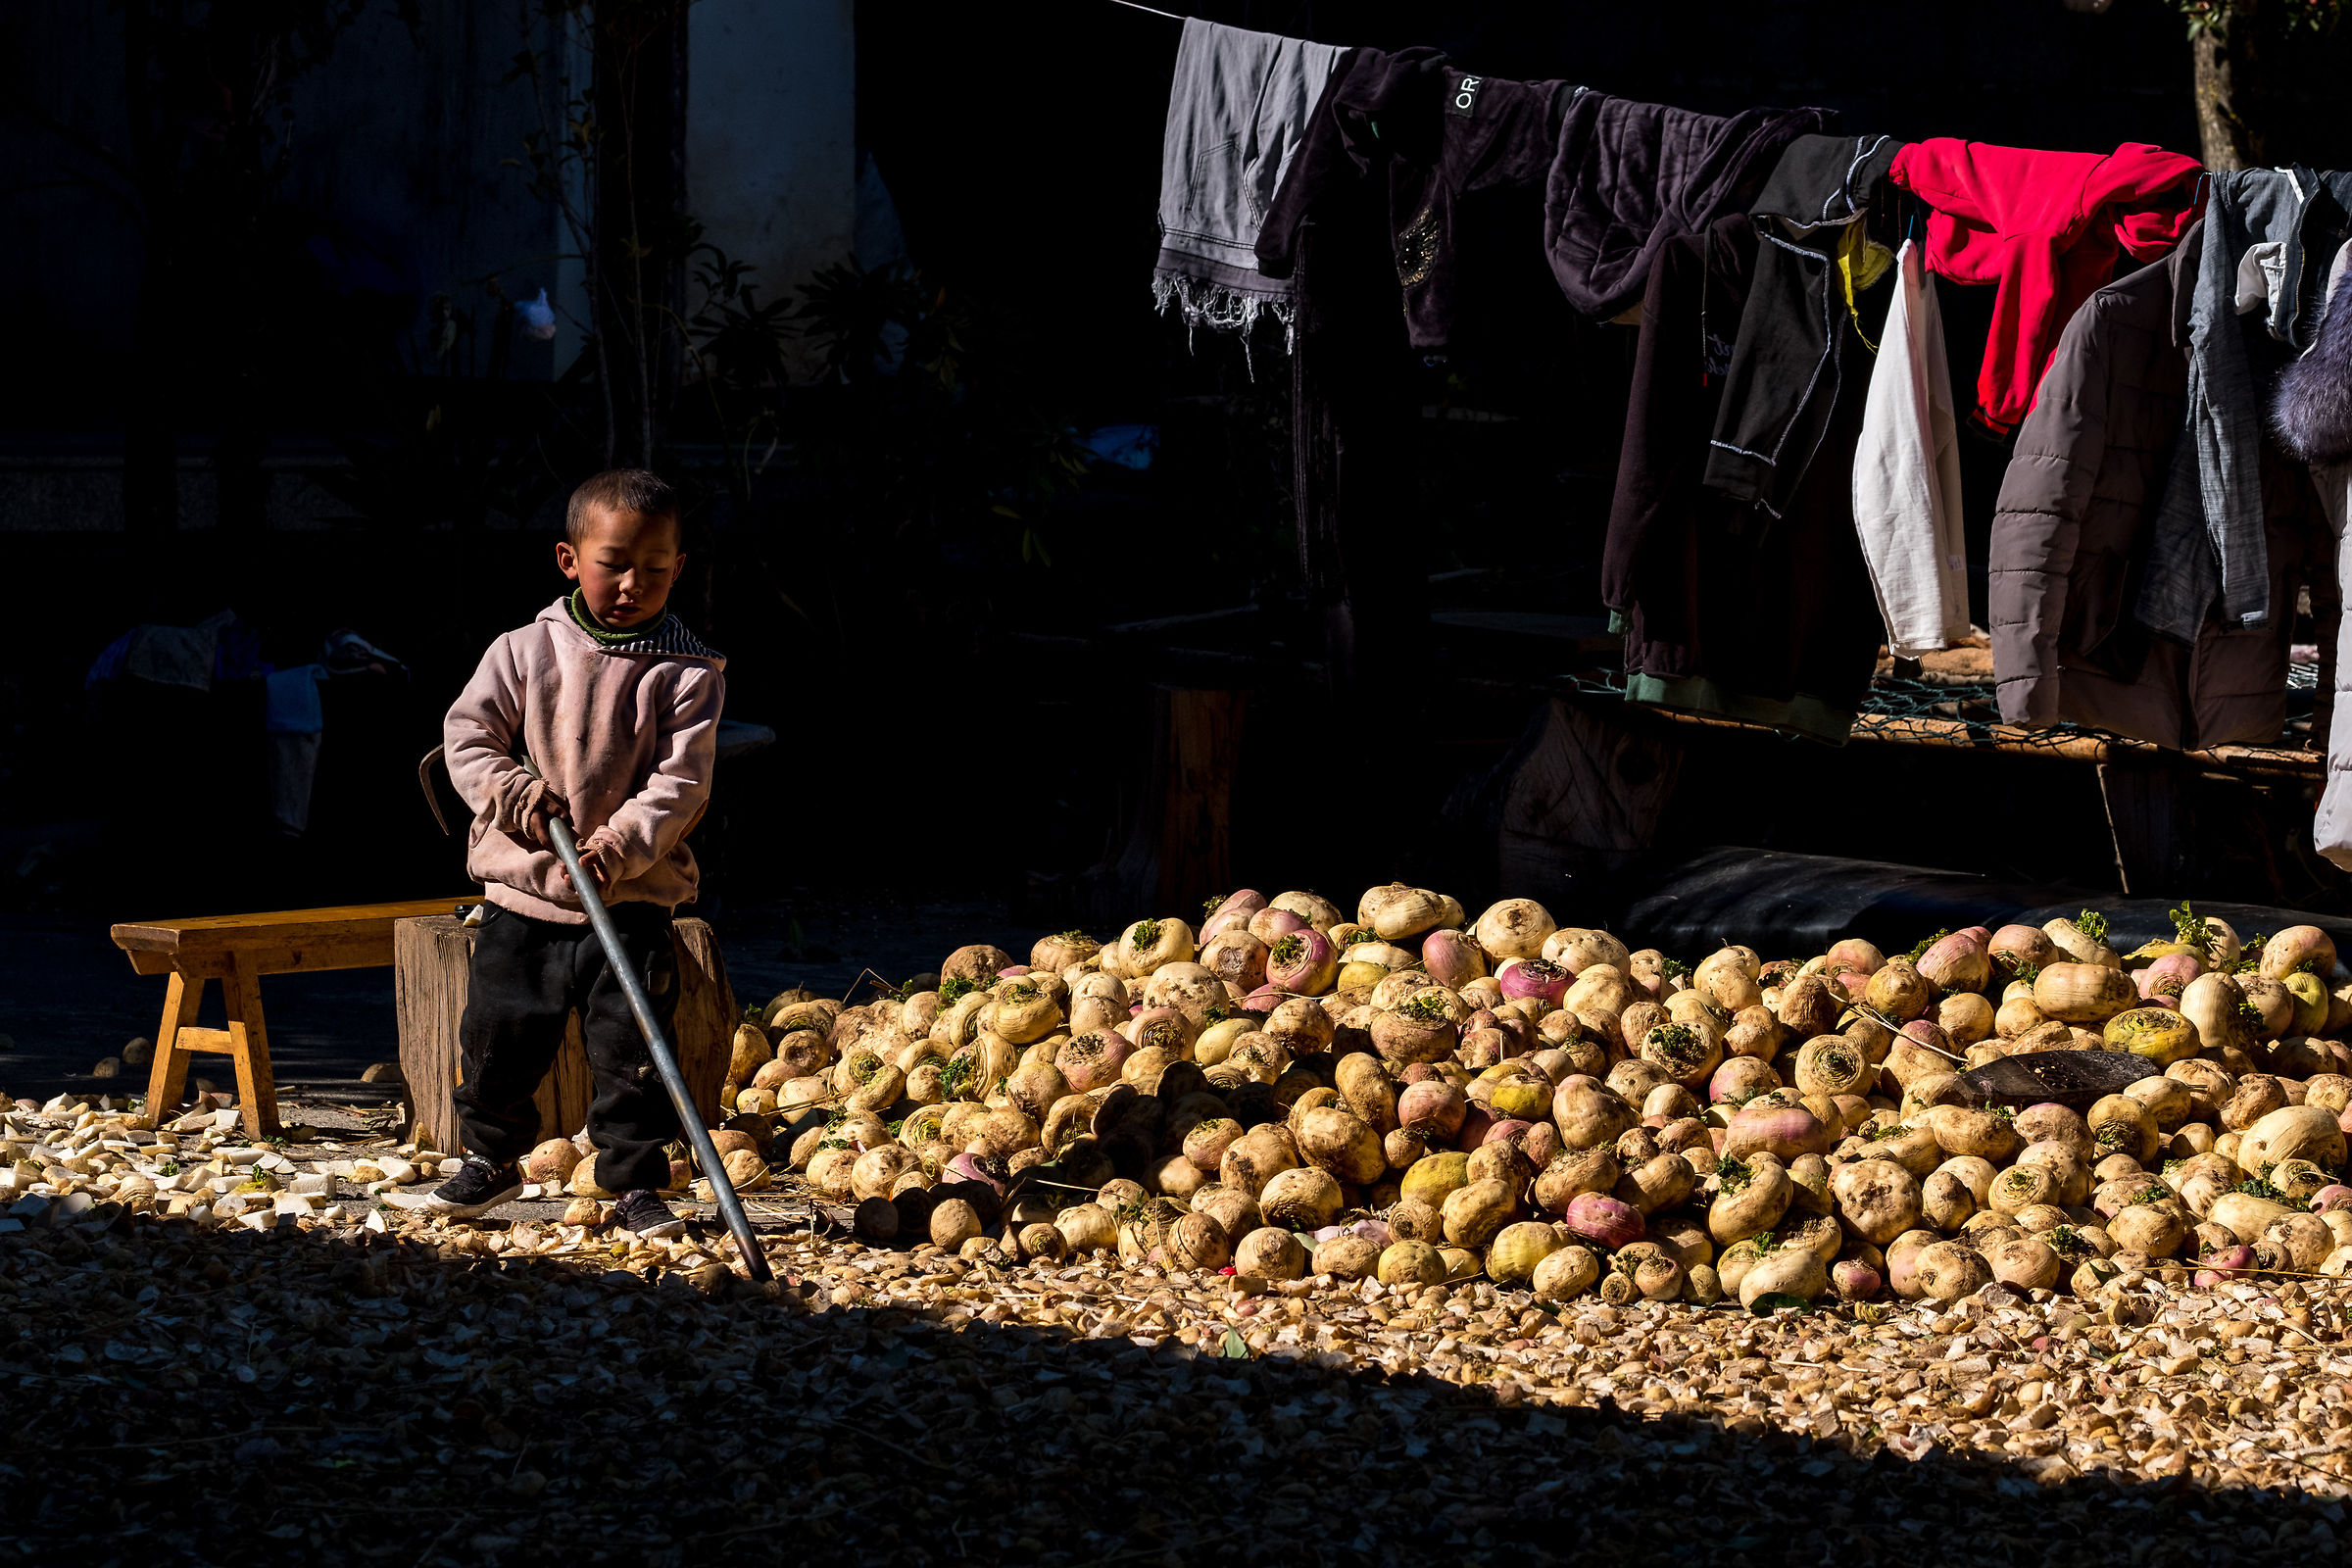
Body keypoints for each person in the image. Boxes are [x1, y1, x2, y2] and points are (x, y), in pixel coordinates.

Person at [418, 468, 725, 1237]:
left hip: (630, 898)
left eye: (654, 570)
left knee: (633, 1050)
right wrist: (519, 797)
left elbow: (679, 786)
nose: (632, 583)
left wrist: (617, 847)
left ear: (678, 569)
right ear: (568, 559)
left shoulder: (688, 675)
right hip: (527, 890)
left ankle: (632, 1183)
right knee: (499, 1030)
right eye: (613, 563)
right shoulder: (525, 651)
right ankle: (490, 1160)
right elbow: (468, 738)